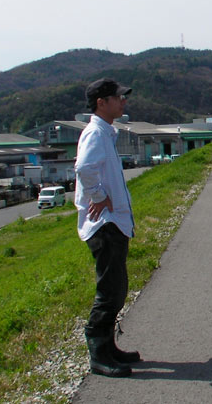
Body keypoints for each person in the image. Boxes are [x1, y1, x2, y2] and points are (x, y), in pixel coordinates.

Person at [75, 78, 140, 377]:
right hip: (104, 224)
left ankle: (109, 346)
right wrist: (99, 196)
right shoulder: (95, 133)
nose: (123, 101)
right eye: (118, 97)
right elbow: (84, 168)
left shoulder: (105, 132)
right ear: (101, 102)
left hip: (113, 222)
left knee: (117, 288)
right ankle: (98, 353)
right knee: (109, 291)